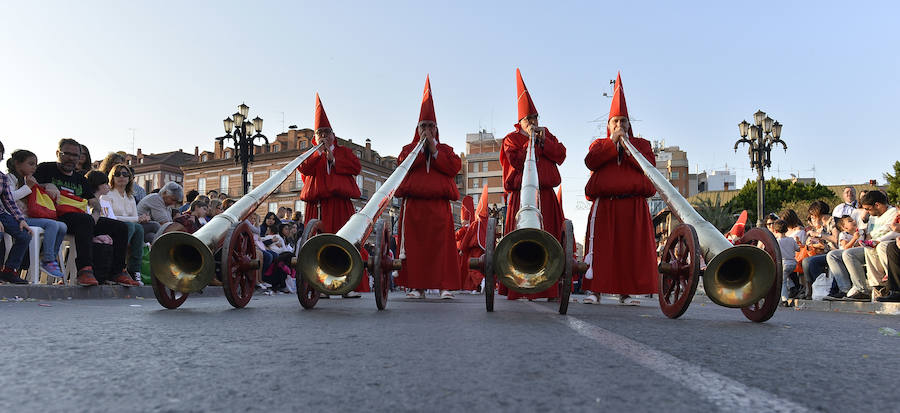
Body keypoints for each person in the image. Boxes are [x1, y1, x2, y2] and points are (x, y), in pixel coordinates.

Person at [582, 73, 657, 305]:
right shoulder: (599, 145)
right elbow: (590, 161)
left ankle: (628, 292)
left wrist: (626, 147)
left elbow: (649, 168)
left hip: (634, 205)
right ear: (608, 126)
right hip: (605, 204)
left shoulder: (641, 145)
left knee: (631, 251)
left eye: (623, 121)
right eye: (615, 121)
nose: (619, 125)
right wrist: (613, 144)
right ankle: (594, 291)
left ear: (629, 124)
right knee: (601, 251)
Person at [499, 69, 567, 302]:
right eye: (529, 119)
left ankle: (549, 287)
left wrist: (543, 141)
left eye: (536, 118)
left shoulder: (546, 135)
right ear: (520, 122)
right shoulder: (511, 138)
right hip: (522, 196)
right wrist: (530, 141)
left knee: (550, 239)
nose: (534, 123)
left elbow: (561, 155)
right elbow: (515, 160)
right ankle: (518, 285)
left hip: (546, 195)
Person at [395, 76, 462, 299]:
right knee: (415, 247)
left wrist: (434, 151)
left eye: (430, 126)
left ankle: (445, 287)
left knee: (442, 247)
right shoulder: (408, 149)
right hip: (414, 205)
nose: (427, 130)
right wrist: (420, 149)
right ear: (417, 128)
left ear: (436, 128)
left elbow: (454, 167)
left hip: (439, 205)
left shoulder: (446, 150)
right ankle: (417, 287)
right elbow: (402, 166)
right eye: (423, 126)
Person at [33, 139, 133, 287]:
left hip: (79, 218)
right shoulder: (45, 168)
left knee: (121, 227)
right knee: (84, 220)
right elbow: (27, 182)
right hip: (52, 215)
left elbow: (94, 202)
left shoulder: (80, 178)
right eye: (67, 154)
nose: (71, 158)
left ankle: (117, 271)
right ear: (57, 153)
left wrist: (95, 215)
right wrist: (45, 185)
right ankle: (84, 270)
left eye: (75, 155)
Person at [297, 94, 365, 298]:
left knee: (345, 243)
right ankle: (321, 286)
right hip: (317, 205)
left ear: (333, 134)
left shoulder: (345, 152)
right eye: (320, 133)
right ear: (315, 136)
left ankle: (347, 287)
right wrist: (318, 153)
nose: (324, 136)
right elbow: (303, 168)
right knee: (318, 245)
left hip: (340, 204)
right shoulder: (311, 153)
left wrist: (333, 158)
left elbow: (356, 167)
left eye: (327, 132)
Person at [7, 149, 66, 279]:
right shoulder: (9, 179)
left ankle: (48, 256)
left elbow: (38, 190)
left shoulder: (28, 179)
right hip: (15, 218)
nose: (34, 167)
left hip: (28, 217)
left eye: (35, 164)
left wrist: (46, 186)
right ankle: (48, 260)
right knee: (51, 225)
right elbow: (9, 198)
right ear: (17, 164)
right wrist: (27, 186)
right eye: (31, 164)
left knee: (62, 226)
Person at [87, 170, 144, 284]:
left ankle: (127, 270)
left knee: (132, 228)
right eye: (105, 184)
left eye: (125, 175)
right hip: (89, 224)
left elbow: (112, 218)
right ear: (98, 185)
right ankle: (116, 269)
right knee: (126, 227)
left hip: (106, 223)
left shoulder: (105, 202)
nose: (108, 186)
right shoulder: (92, 199)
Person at [0, 141, 33, 284]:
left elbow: (9, 201)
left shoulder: (2, 178)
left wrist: (21, 220)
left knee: (24, 235)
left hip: (1, 214)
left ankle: (9, 270)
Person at [101, 163, 158, 243]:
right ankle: (121, 252)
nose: (121, 176)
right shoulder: (106, 194)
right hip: (113, 226)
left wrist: (143, 218)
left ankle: (145, 253)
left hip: (131, 226)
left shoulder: (130, 197)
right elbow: (109, 217)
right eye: (117, 174)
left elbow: (135, 218)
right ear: (112, 178)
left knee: (154, 226)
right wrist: (137, 219)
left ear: (129, 178)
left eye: (125, 174)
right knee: (132, 226)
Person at [859, 190, 899, 299]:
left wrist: (878, 241)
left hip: (890, 241)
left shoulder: (893, 212)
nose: (867, 212)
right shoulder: (873, 217)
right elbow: (870, 234)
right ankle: (878, 286)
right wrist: (863, 239)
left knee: (882, 246)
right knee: (866, 249)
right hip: (875, 243)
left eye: (868, 209)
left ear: (877, 205)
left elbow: (895, 231)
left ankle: (892, 282)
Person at [774, 220, 799, 305]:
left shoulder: (777, 242)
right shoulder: (791, 239)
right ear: (787, 230)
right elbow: (798, 249)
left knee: (783, 281)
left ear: (775, 231)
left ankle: (784, 299)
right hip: (793, 263)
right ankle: (792, 287)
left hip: (783, 263)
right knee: (786, 276)